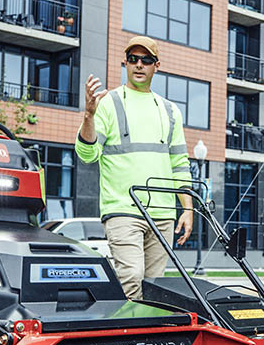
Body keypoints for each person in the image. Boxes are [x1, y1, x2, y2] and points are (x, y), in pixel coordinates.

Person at [75, 36, 193, 299]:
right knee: (131, 279)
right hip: (123, 210)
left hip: (162, 214)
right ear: (125, 63)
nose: (139, 65)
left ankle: (148, 338)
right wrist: (89, 116)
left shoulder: (170, 111)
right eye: (133, 59)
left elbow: (180, 165)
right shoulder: (108, 103)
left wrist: (187, 208)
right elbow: (87, 155)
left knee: (155, 288)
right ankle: (123, 337)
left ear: (156, 65)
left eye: (146, 60)